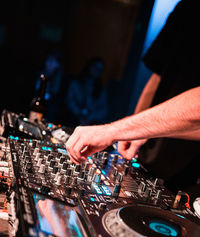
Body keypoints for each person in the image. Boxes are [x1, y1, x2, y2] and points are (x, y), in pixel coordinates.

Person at [67, 0, 200, 199]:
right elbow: (158, 76)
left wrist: (113, 130)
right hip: (153, 152)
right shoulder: (185, 9)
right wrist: (136, 131)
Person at [64, 57, 108, 127]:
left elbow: (103, 110)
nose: (96, 71)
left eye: (99, 69)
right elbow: (69, 101)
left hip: (90, 124)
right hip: (72, 120)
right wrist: (79, 115)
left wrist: (90, 117)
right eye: (95, 67)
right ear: (89, 66)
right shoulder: (76, 83)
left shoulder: (100, 89)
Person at [35, 51, 68, 124]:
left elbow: (58, 101)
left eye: (53, 61)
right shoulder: (38, 75)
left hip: (50, 116)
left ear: (59, 65)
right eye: (48, 60)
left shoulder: (62, 81)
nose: (49, 63)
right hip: (34, 110)